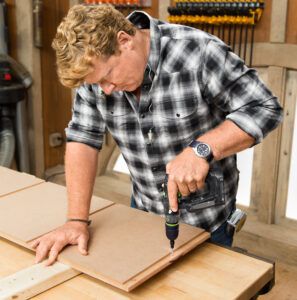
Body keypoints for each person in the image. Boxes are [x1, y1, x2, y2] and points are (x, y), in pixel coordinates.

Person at [30, 4, 283, 265]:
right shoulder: (95, 76)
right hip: (145, 210)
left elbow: (264, 108)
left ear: (125, 40)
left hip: (207, 219)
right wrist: (76, 220)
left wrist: (202, 149)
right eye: (96, 84)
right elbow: (82, 139)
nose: (105, 90)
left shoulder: (199, 52)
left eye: (107, 77)